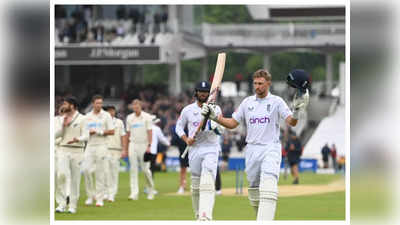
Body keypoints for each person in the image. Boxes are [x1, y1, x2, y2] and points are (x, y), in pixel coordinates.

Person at [201, 69, 309, 220]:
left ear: (268, 84)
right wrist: (216, 117)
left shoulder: (276, 101)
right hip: (251, 149)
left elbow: (292, 122)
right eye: (255, 83)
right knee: (253, 189)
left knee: (269, 186)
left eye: (260, 83)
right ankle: (262, 217)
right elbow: (232, 123)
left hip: (270, 148)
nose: (257, 86)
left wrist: (297, 111)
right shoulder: (247, 103)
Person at [175, 81, 224, 220]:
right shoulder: (188, 110)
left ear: (209, 94)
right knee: (196, 185)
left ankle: (206, 215)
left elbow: (220, 130)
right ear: (196, 92)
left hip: (211, 147)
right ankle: (198, 215)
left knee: (208, 180)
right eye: (200, 91)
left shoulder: (216, 109)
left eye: (206, 91)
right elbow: (178, 127)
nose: (203, 93)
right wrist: (186, 139)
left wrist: (212, 122)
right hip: (194, 148)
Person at [54, 96, 88, 213]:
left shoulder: (83, 118)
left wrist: (77, 139)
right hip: (63, 149)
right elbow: (56, 135)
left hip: (77, 150)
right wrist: (63, 126)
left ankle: (72, 206)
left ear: (72, 105)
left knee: (75, 179)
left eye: (65, 104)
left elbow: (86, 135)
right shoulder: (63, 118)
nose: (63, 106)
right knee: (61, 175)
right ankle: (62, 204)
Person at [82, 95, 115, 207]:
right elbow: (83, 132)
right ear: (93, 103)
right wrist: (88, 133)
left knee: (100, 172)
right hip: (90, 145)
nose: (99, 105)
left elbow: (112, 131)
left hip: (102, 145)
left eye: (101, 103)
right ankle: (90, 196)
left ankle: (99, 198)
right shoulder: (87, 116)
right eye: (97, 103)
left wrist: (100, 132)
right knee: (86, 170)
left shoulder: (106, 116)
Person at [123, 99, 155, 200]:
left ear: (141, 106)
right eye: (134, 106)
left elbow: (150, 132)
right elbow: (127, 134)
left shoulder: (147, 117)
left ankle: (150, 190)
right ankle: (134, 193)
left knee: (146, 170)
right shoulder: (129, 118)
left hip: (144, 144)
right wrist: (125, 148)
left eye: (138, 106)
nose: (136, 108)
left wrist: (149, 146)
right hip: (133, 144)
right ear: (132, 107)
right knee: (133, 169)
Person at [104, 106, 126, 202]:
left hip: (116, 150)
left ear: (114, 112)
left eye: (112, 111)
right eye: (108, 111)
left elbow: (123, 136)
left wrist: (124, 149)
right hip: (105, 149)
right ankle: (105, 193)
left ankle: (112, 194)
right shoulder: (103, 122)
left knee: (114, 173)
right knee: (105, 172)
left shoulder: (119, 122)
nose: (110, 112)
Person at [146, 116, 171, 195]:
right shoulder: (156, 129)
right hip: (152, 151)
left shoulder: (146, 128)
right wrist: (168, 143)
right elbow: (162, 139)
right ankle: (150, 188)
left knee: (147, 170)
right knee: (151, 170)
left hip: (145, 151)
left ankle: (147, 187)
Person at [170, 123, 189, 194]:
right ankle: (182, 186)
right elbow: (173, 141)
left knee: (195, 169)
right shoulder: (178, 130)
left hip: (193, 151)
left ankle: (196, 185)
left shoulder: (191, 128)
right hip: (182, 151)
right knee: (183, 170)